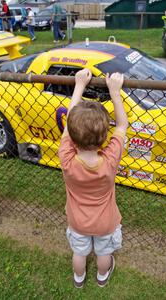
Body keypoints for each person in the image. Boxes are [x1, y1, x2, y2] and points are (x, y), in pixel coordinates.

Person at [58, 69, 128, 288]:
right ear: (105, 137)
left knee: (79, 253)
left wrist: (79, 86)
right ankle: (101, 277)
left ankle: (78, 279)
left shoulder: (66, 158)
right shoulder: (109, 161)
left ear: (70, 133)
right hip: (105, 222)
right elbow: (122, 126)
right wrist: (115, 92)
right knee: (104, 253)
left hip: (77, 221)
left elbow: (70, 121)